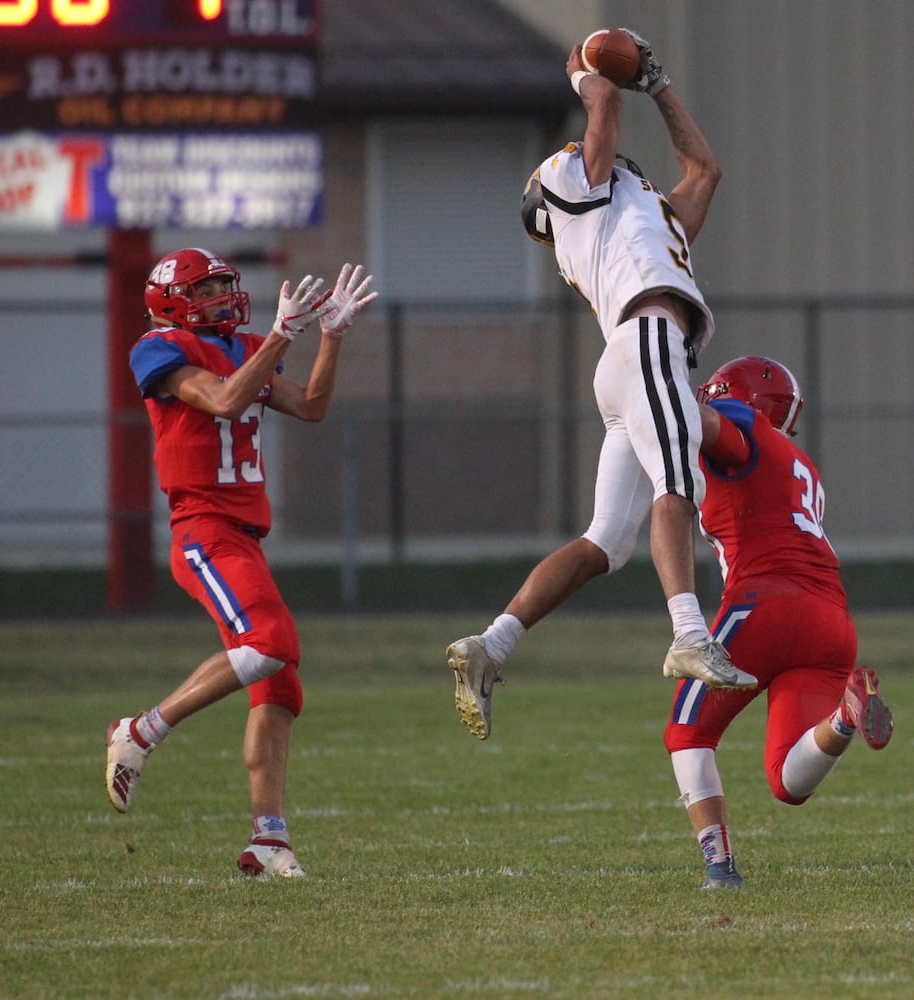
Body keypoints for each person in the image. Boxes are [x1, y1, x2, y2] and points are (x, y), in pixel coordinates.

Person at [445, 29, 754, 742]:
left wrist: (661, 86)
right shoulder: (576, 191)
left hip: (634, 356)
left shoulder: (638, 214)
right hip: (647, 340)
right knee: (680, 484)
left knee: (604, 542)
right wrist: (587, 73)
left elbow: (703, 170)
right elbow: (604, 110)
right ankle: (687, 632)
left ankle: (491, 645)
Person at [104, 248, 377, 878]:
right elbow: (226, 401)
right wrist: (282, 335)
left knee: (279, 682)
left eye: (225, 287)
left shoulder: (244, 344)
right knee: (271, 640)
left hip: (243, 535)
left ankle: (269, 839)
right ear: (173, 302)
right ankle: (140, 731)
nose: (223, 298)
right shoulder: (158, 350)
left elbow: (311, 405)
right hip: (202, 530)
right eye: (207, 290)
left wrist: (330, 337)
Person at [666, 355, 894, 889]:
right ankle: (844, 716)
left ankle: (720, 870)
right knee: (787, 780)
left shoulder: (738, 424)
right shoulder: (801, 463)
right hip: (832, 620)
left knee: (687, 734)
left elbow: (695, 420)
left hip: (766, 604)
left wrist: (647, 381)